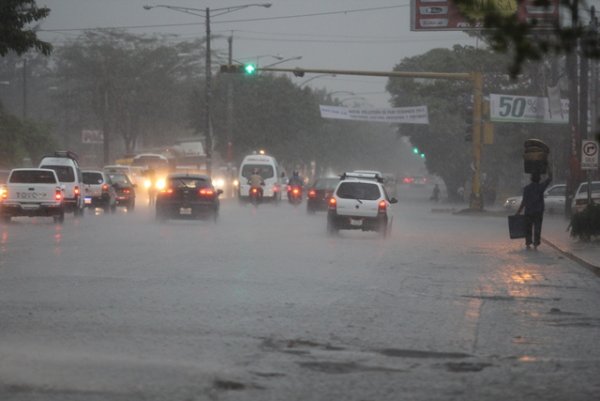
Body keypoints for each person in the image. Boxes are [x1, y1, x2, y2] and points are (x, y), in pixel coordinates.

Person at [516, 170, 553, 250]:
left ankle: (528, 243)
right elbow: (550, 179)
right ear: (539, 179)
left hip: (529, 212)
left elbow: (524, 202)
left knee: (528, 228)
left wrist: (518, 212)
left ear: (531, 179)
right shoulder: (541, 187)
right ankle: (536, 243)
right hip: (538, 212)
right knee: (537, 228)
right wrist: (548, 168)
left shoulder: (526, 189)